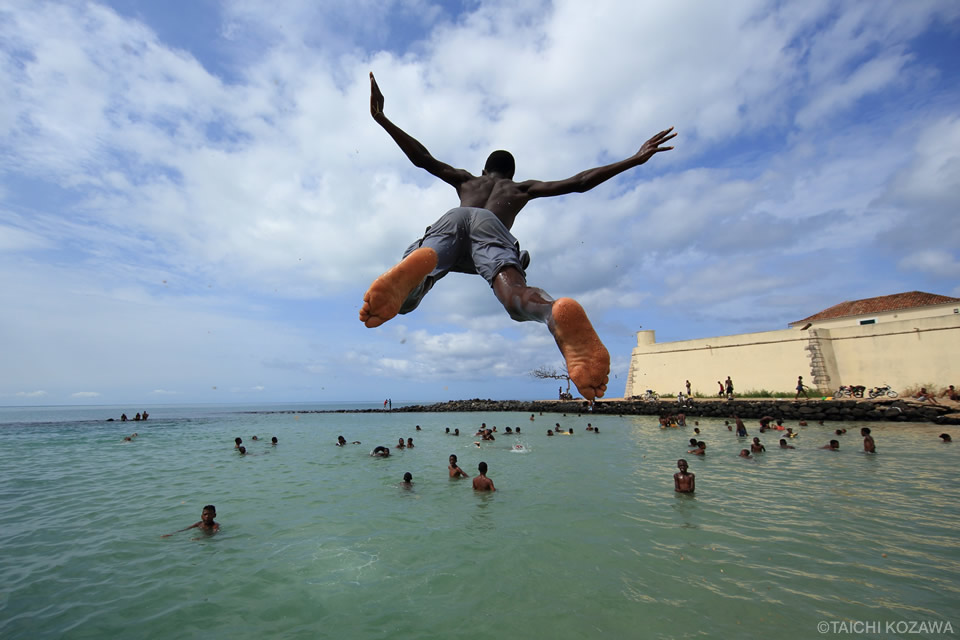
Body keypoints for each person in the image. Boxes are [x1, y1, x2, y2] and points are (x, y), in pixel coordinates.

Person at [359, 73, 676, 401]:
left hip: (454, 222)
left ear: (484, 171)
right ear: (510, 174)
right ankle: (551, 313)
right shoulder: (519, 188)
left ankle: (414, 276)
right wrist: (635, 159)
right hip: (492, 227)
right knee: (515, 297)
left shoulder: (468, 181)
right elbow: (581, 181)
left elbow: (423, 159)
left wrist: (383, 118)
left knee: (416, 286)